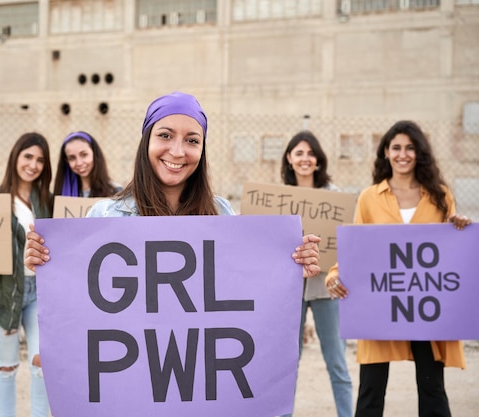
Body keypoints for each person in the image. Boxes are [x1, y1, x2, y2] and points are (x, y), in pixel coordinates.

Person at [25, 91, 321, 280]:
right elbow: (79, 290)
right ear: (147, 143)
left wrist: (290, 263)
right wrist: (48, 261)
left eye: (192, 140)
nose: (178, 152)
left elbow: (244, 278)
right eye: (165, 135)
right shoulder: (104, 216)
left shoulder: (221, 212)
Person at [326, 120, 472, 417]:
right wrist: (334, 275)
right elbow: (360, 248)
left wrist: (461, 228)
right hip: (381, 303)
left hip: (425, 306)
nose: (403, 154)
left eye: (410, 147)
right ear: (386, 153)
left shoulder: (441, 196)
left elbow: (449, 250)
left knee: (432, 388)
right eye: (396, 148)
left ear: (420, 153)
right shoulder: (369, 197)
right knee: (371, 390)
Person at [0, 132, 53, 417]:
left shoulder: (46, 201)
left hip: (39, 294)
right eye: (28, 156)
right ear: (15, 157)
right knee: (6, 366)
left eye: (40, 160)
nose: (33, 164)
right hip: (6, 295)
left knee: (43, 362)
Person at [279, 131, 352, 417]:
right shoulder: (277, 198)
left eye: (310, 153)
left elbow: (347, 243)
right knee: (287, 363)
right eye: (299, 153)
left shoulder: (334, 197)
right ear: (289, 158)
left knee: (337, 362)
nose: (305, 159)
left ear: (318, 160)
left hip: (327, 288)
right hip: (290, 290)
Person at [53, 131, 122, 197]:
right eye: (72, 158)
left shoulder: (115, 191)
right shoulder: (60, 193)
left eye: (84, 155)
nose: (79, 163)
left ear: (94, 154)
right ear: (66, 161)